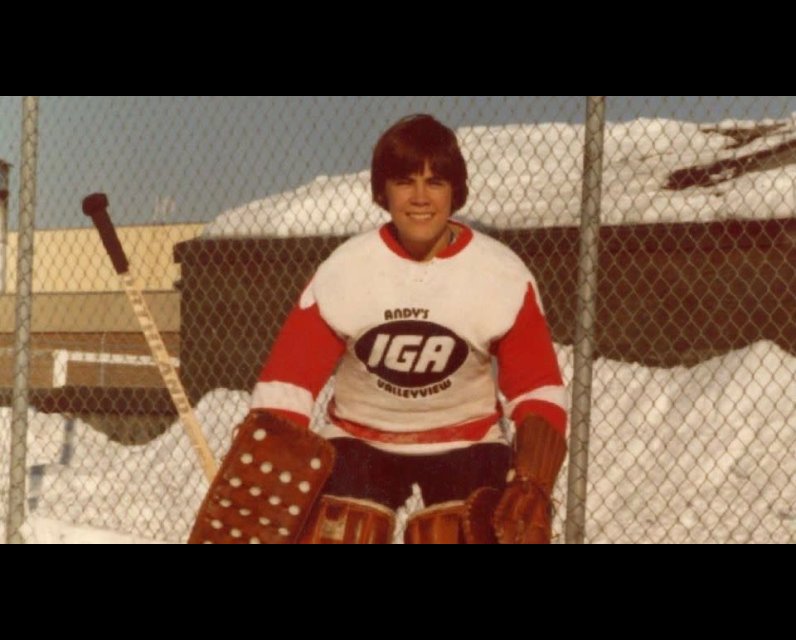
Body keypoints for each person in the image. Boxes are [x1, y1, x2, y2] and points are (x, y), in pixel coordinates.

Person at [188, 114, 568, 544]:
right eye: (405, 181)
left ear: (455, 192)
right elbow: (288, 381)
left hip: (468, 439)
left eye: (436, 182)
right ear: (383, 191)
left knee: (466, 535)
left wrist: (533, 479)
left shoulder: (500, 273)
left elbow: (537, 388)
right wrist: (267, 462)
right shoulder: (347, 268)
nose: (420, 198)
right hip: (360, 438)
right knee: (346, 531)